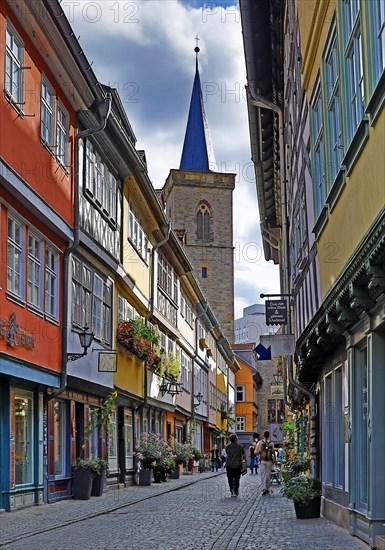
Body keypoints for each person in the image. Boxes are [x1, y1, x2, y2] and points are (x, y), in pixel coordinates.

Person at [256, 430, 275, 495]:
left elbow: (256, 451)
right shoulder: (271, 443)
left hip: (262, 460)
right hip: (269, 461)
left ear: (263, 435)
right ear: (268, 435)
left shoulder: (260, 442)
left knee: (263, 475)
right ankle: (267, 488)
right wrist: (274, 460)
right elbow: (273, 452)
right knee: (268, 475)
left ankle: (264, 488)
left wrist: (260, 451)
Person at [225, 433, 243, 497]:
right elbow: (242, 455)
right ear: (235, 439)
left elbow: (227, 453)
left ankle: (231, 489)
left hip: (229, 465)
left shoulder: (227, 446)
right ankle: (236, 490)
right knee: (237, 479)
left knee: (230, 478)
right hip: (237, 465)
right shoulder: (239, 446)